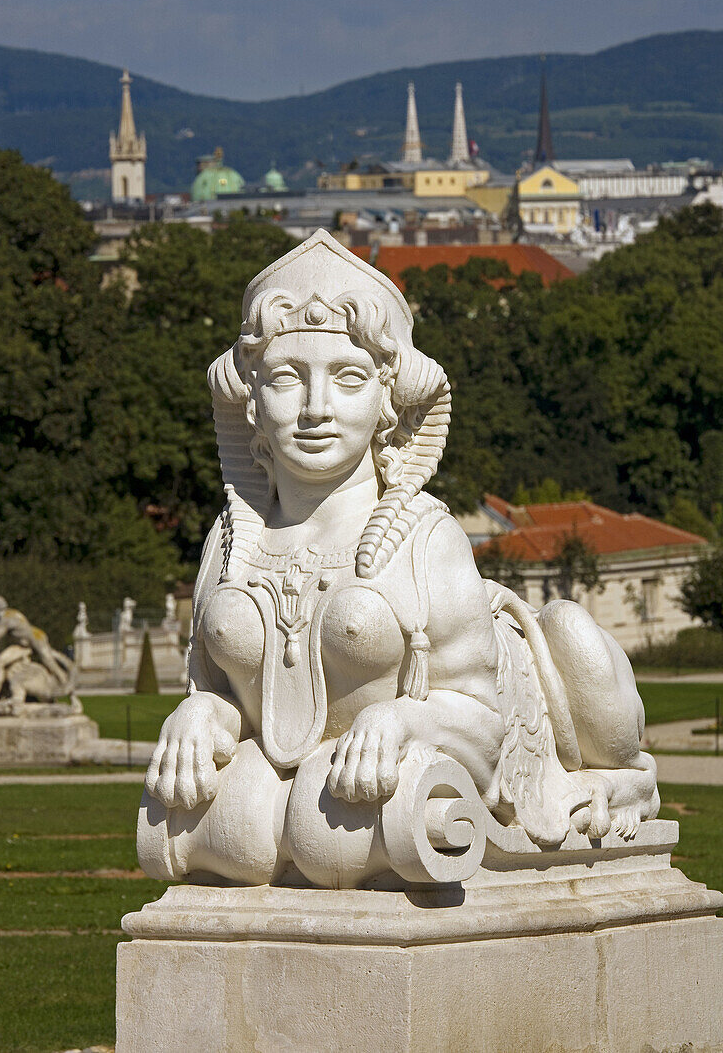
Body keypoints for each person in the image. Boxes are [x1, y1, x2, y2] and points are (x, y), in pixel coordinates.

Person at [140, 230, 657, 888]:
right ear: (250, 399)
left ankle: (628, 782)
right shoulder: (230, 539)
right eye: (285, 379)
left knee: (572, 637)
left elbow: (484, 720)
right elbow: (223, 696)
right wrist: (197, 715)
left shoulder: (424, 537)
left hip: (509, 731)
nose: (316, 409)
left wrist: (403, 718)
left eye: (347, 378)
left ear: (387, 400)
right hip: (333, 789)